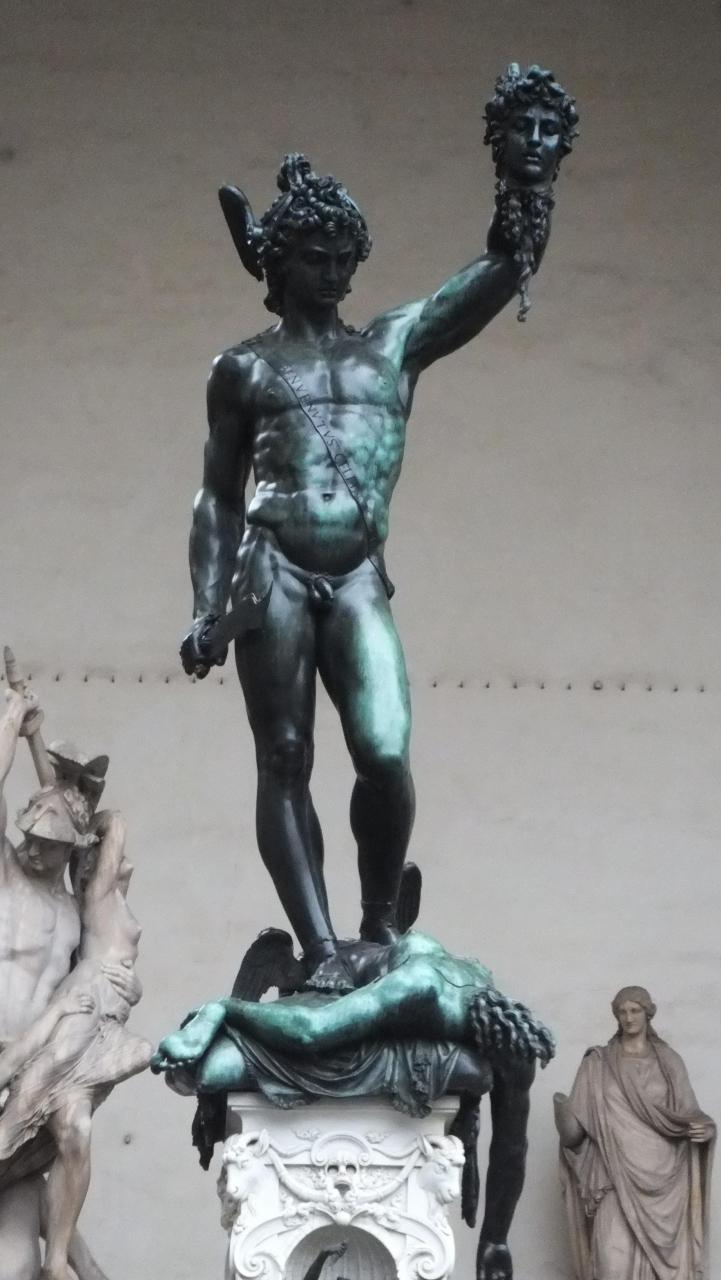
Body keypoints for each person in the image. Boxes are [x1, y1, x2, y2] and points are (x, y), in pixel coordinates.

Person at [180, 67, 578, 974]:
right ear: (277, 264)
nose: (332, 273)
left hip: (357, 572)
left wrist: (527, 176)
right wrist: (205, 603)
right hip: (272, 568)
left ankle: (377, 920)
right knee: (284, 755)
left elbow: (498, 270)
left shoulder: (392, 346)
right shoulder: (242, 370)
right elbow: (216, 494)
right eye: (314, 258)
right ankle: (320, 946)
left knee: (386, 754)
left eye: (343, 258)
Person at [153, 930, 554, 1280]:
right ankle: (219, 1013)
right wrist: (224, 1010)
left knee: (475, 1075)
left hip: (385, 1013)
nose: (492, 1079)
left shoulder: (511, 1041)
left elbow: (511, 1147)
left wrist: (496, 1240)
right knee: (207, 1071)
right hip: (339, 991)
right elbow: (312, 1031)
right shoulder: (422, 988)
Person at [0, 684, 135, 1280]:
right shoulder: (5, 877)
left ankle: (60, 1259)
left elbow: (104, 840)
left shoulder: (75, 910)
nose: (32, 851)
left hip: (40, 1070)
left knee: (16, 1265)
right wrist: (11, 719)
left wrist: (82, 804)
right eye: (29, 839)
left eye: (48, 847)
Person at [554, 986, 715, 1280]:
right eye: (622, 1012)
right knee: (610, 1265)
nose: (628, 1018)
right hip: (614, 1175)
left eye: (635, 1010)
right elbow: (573, 1136)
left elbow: (689, 1113)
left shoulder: (669, 1062)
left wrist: (705, 1128)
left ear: (648, 1013)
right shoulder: (597, 1064)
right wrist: (561, 1110)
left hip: (666, 1184)